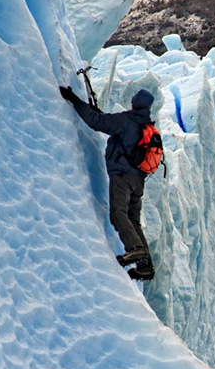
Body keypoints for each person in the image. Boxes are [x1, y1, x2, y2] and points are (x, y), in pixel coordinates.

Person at [59, 85, 155, 280]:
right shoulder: (148, 126)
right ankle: (145, 265)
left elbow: (97, 122)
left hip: (122, 176)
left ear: (134, 103)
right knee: (132, 219)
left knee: (118, 213)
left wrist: (74, 99)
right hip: (139, 180)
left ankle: (135, 249)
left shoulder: (126, 120)